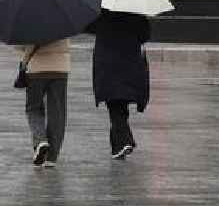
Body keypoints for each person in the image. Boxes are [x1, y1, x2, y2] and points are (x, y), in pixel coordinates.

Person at [86, 10, 150, 160]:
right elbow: (145, 36)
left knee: (114, 105)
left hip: (108, 65)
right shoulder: (137, 14)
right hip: (130, 64)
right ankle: (117, 148)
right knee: (120, 105)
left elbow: (88, 26)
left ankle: (125, 140)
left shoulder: (103, 14)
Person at [22, 39, 71, 168]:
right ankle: (52, 157)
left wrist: (24, 59)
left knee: (33, 108)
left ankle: (40, 140)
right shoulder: (64, 20)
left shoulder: (30, 20)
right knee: (57, 112)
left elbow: (25, 46)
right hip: (60, 68)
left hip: (36, 69)